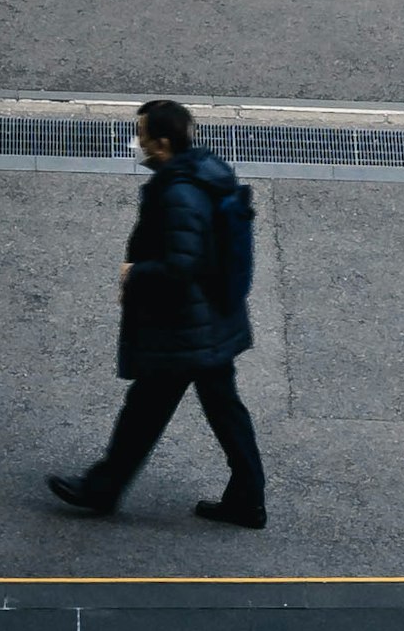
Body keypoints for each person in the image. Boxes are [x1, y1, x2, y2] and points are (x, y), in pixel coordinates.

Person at [49, 98, 268, 529]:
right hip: (209, 320)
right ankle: (245, 497)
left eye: (144, 135)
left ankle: (103, 489)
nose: (139, 143)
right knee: (211, 410)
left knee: (152, 408)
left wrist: (134, 274)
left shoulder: (179, 193)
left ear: (163, 142)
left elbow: (181, 265)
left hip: (187, 326)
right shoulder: (202, 173)